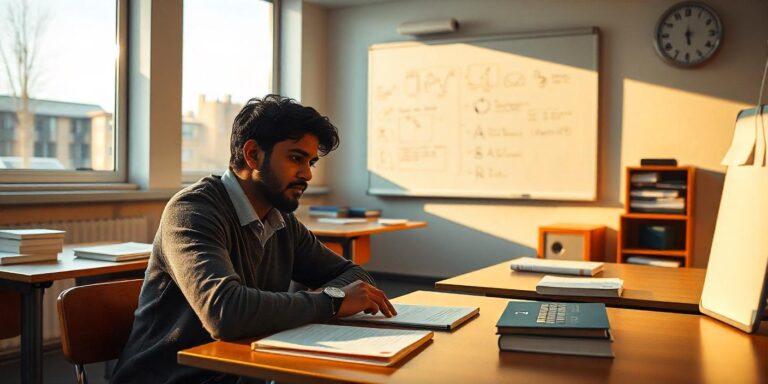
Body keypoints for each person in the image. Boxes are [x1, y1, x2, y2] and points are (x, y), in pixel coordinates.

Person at [112, 94, 396, 384]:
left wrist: (326, 300)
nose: (307, 174)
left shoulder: (281, 220)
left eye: (311, 162)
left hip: (242, 372)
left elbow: (354, 274)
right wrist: (330, 302)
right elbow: (225, 313)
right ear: (252, 154)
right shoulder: (192, 211)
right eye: (296, 158)